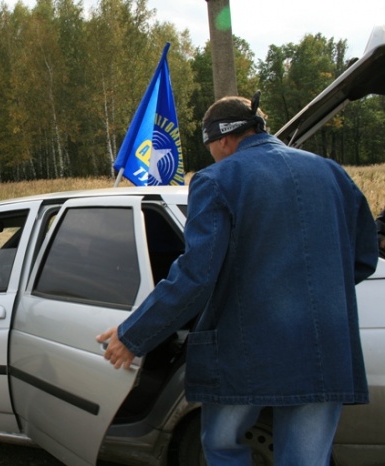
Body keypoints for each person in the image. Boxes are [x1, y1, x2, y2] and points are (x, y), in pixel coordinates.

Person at [97, 93, 379, 465]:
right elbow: (363, 259)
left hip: (244, 353)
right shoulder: (332, 172)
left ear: (223, 139)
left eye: (210, 145)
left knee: (223, 446)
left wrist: (133, 335)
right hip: (325, 349)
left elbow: (196, 276)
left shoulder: (217, 179)